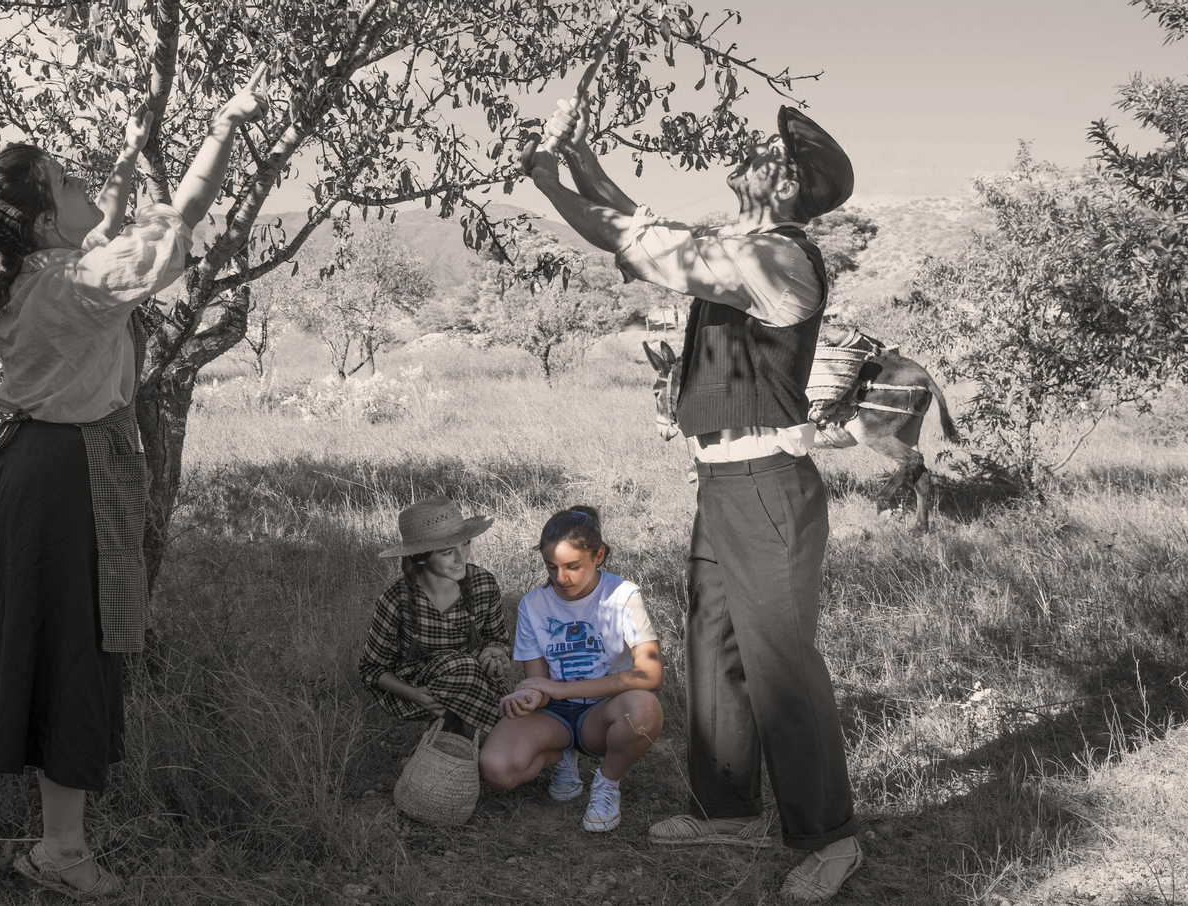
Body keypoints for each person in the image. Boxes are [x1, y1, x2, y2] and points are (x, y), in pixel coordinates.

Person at [0, 66, 270, 900]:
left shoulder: (34, 276)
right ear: (47, 218)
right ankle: (61, 853)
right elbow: (177, 214)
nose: (92, 190)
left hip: (17, 471)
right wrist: (226, 122)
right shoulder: (84, 285)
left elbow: (111, 213)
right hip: (66, 479)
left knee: (1, 629)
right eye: (69, 183)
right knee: (69, 648)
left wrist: (119, 158)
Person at [524, 100, 863, 901]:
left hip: (768, 486)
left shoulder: (778, 258)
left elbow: (633, 239)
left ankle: (830, 838)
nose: (755, 155)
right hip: (724, 481)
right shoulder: (737, 246)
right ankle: (726, 810)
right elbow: (641, 221)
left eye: (775, 158)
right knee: (714, 648)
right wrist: (575, 157)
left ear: (789, 191)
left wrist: (546, 176)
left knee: (780, 664)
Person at [479, 507, 663, 834]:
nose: (560, 578)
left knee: (644, 708)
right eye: (551, 567)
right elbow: (537, 681)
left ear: (599, 555)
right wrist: (526, 698)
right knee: (496, 770)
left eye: (572, 567)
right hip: (555, 714)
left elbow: (650, 675)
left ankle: (606, 784)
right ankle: (561, 754)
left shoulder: (623, 595)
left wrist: (562, 689)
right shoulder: (533, 605)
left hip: (603, 712)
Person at [358, 497, 515, 740]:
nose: (461, 558)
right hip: (422, 689)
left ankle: (455, 744)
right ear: (421, 557)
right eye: (447, 552)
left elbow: (497, 639)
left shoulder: (483, 583)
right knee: (462, 667)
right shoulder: (395, 599)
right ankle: (498, 740)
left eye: (466, 544)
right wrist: (413, 693)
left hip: (476, 683)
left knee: (468, 668)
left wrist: (494, 655)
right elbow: (372, 669)